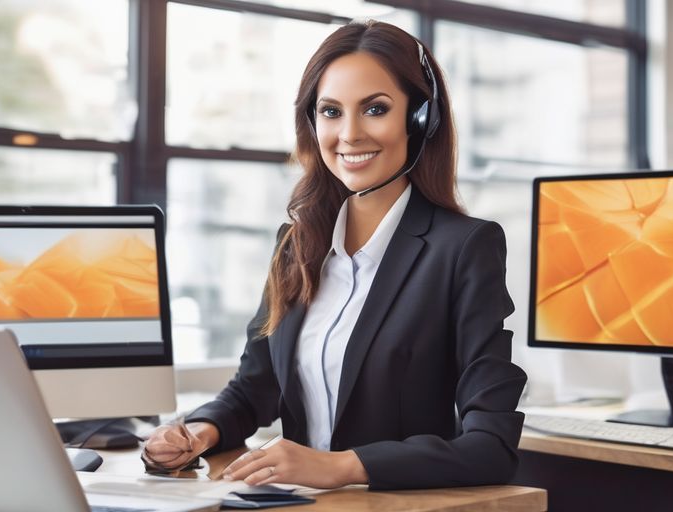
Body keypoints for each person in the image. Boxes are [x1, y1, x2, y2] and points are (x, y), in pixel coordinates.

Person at [143, 19, 528, 491]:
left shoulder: (464, 248)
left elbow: (491, 447)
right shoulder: (296, 244)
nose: (349, 134)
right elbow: (253, 390)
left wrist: (344, 466)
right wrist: (197, 433)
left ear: (420, 119)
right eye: (330, 111)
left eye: (375, 109)